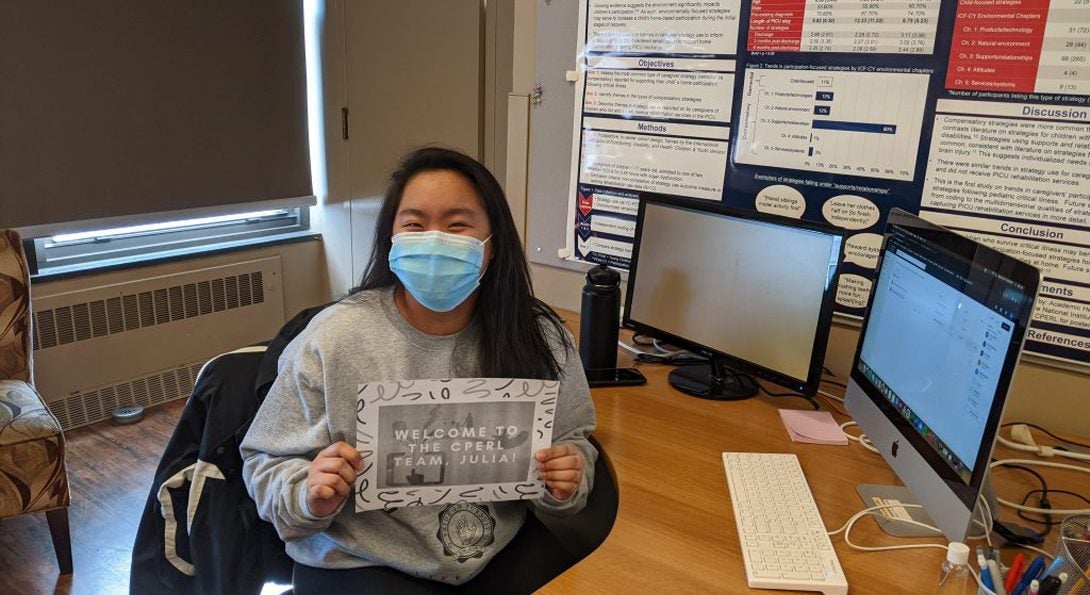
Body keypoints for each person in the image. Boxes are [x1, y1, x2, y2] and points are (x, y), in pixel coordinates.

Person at [240, 147, 597, 594]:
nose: (435, 241)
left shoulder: (537, 336)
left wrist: (566, 479)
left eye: (457, 225)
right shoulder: (333, 339)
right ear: (391, 239)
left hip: (499, 552)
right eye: (414, 224)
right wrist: (308, 494)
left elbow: (572, 441)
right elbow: (265, 462)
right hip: (362, 561)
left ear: (493, 244)